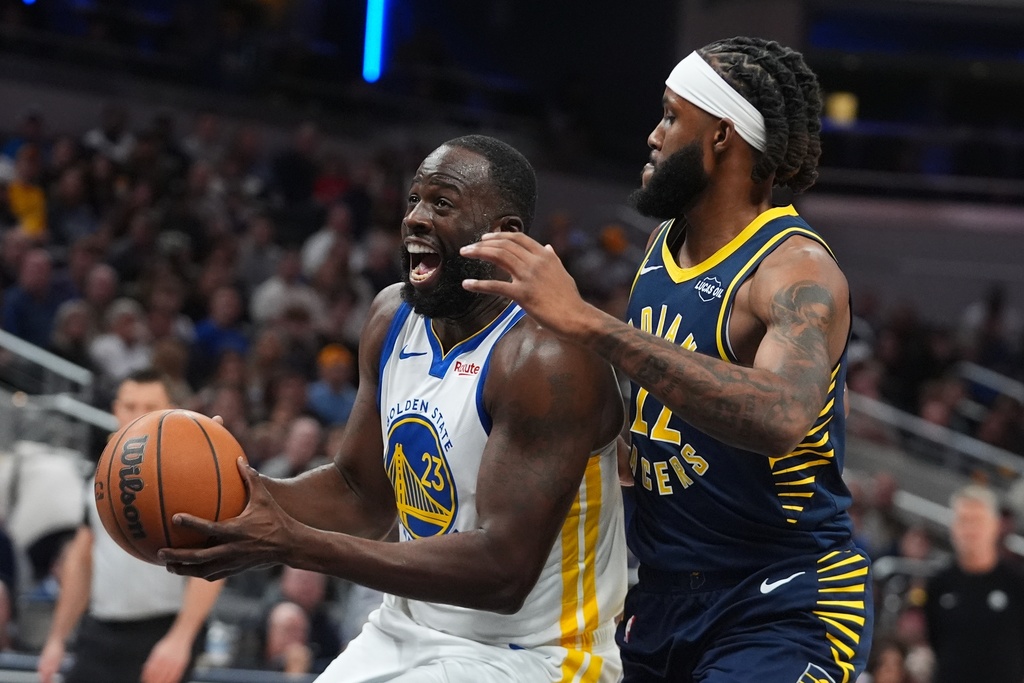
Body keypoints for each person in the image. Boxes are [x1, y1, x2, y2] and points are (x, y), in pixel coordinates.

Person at [461, 36, 873, 682]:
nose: (653, 134)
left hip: (780, 599)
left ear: (720, 136)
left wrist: (588, 322)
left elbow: (783, 414)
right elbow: (656, 422)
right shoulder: (660, 246)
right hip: (660, 596)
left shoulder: (795, 267)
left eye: (672, 115)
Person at [161, 134, 628, 681]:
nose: (416, 218)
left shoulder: (548, 356)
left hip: (534, 655)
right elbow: (361, 493)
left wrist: (295, 544)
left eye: (443, 204)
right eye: (414, 200)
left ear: (506, 236)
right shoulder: (391, 318)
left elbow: (503, 573)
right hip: (404, 630)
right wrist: (240, 496)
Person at [37, 369, 224, 683]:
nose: (138, 416)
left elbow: (214, 563)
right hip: (99, 630)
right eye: (130, 406)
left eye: (150, 407)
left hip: (160, 629)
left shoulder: (191, 476)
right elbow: (81, 560)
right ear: (115, 410)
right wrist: (57, 638)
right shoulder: (99, 477)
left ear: (169, 412)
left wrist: (181, 638)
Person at [924, 484, 1024, 683]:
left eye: (977, 521)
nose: (969, 530)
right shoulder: (939, 584)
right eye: (963, 521)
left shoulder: (1017, 583)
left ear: (995, 526)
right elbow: (935, 638)